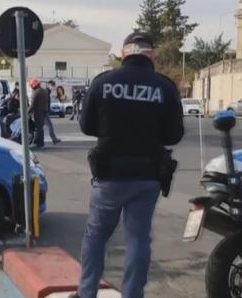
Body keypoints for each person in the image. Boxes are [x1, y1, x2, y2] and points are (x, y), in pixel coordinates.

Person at [69, 32, 184, 298]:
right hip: (148, 176)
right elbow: (174, 135)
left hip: (110, 174)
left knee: (96, 235)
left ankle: (86, 293)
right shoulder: (165, 87)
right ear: (151, 54)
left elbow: (87, 126)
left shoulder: (104, 82)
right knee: (138, 240)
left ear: (124, 53)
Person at [27, 78, 49, 149]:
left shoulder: (36, 92)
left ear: (34, 86)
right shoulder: (45, 91)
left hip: (38, 111)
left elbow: (33, 105)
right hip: (44, 111)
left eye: (31, 86)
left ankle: (37, 143)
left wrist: (26, 112)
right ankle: (41, 143)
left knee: (38, 128)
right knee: (40, 127)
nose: (31, 87)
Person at [45, 80, 62, 144]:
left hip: (44, 111)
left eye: (54, 86)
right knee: (50, 126)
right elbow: (45, 103)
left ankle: (54, 139)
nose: (53, 87)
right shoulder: (46, 92)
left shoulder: (47, 92)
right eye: (52, 86)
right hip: (44, 112)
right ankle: (54, 139)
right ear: (48, 85)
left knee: (42, 127)